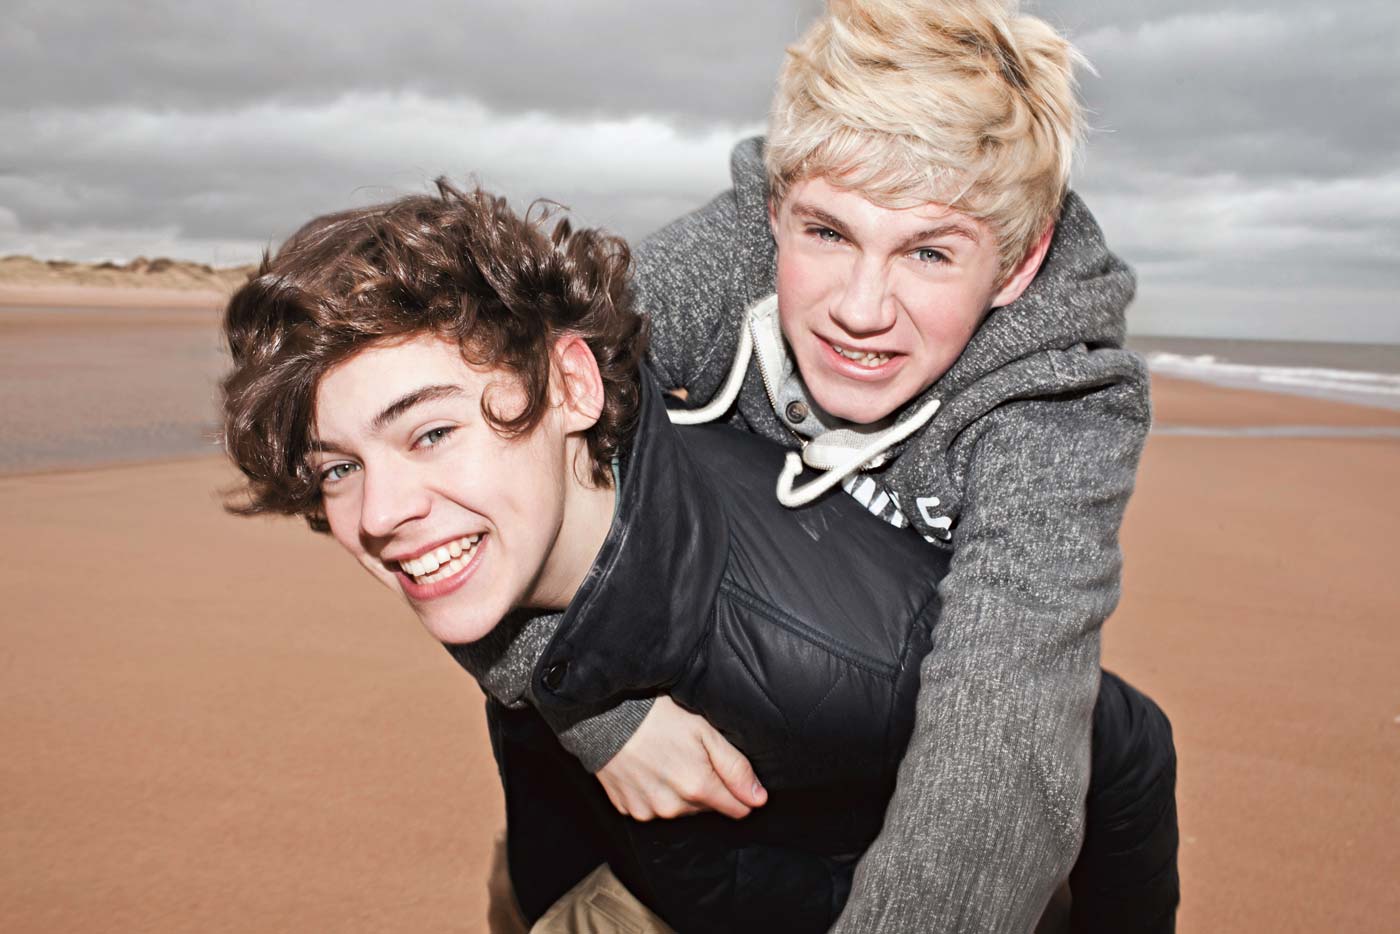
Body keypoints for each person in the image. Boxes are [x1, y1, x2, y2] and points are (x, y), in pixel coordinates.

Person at [218, 181, 1176, 933]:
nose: (380, 514)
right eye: (339, 468)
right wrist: (594, 721)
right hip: (585, 869)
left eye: (431, 433)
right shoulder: (522, 502)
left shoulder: (834, 657)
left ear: (574, 387)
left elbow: (1122, 746)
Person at [551, 0, 1181, 930]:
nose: (861, 308)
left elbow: (1002, 718)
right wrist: (599, 722)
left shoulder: (1057, 403)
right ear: (777, 210)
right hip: (666, 776)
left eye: (928, 251)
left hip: (867, 813)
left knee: (1123, 740)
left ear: (1018, 263)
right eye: (828, 234)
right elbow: (485, 443)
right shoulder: (717, 265)